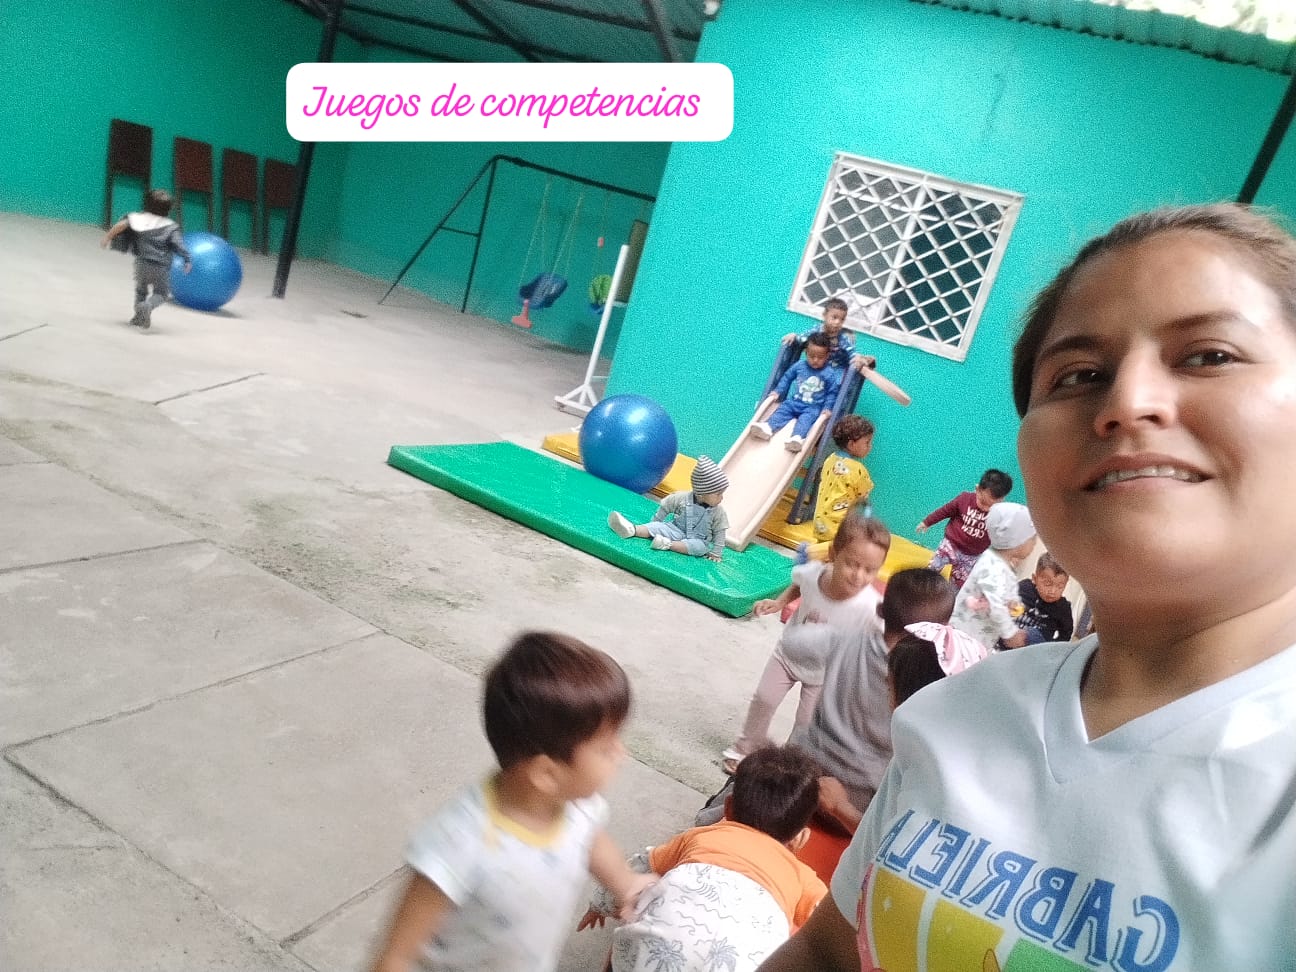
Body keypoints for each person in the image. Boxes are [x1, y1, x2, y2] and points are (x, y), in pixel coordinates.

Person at [758, 202, 1296, 970]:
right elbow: (825, 956)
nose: (1127, 403)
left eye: (1209, 355)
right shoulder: (959, 711)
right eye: (1079, 375)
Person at [368, 631, 653, 972]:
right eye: (606, 748)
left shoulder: (576, 804)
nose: (622, 753)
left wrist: (624, 883)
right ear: (546, 774)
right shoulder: (460, 842)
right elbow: (396, 955)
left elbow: (590, 839)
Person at [582, 746, 827, 972]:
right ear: (801, 838)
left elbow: (641, 865)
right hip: (742, 964)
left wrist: (600, 905)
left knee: (631, 946)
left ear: (727, 807)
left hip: (658, 953)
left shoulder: (699, 837)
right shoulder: (802, 877)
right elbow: (828, 924)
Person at [798, 569, 976, 838]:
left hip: (800, 777)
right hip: (854, 806)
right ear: (941, 631)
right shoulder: (923, 683)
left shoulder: (848, 636)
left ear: (881, 610)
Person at [723, 514, 890, 775]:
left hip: (825, 675)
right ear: (833, 554)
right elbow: (799, 584)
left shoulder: (870, 606)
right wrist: (779, 602)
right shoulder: (813, 574)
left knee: (806, 725)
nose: (859, 576)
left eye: (870, 570)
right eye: (852, 564)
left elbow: (887, 638)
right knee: (764, 699)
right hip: (787, 655)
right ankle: (744, 749)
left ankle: (788, 768)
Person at [948, 501, 1038, 652]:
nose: (1034, 544)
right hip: (964, 634)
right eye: (1032, 539)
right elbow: (995, 604)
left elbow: (1000, 595)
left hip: (981, 637)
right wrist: (1010, 634)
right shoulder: (992, 566)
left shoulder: (1002, 564)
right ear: (1017, 541)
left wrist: (1012, 603)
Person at [100, 189, 191, 329]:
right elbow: (178, 244)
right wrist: (187, 259)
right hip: (161, 267)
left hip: (141, 263)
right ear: (168, 209)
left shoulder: (137, 219)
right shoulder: (171, 227)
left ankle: (137, 318)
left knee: (140, 291)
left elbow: (120, 226)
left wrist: (107, 237)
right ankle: (148, 306)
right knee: (161, 294)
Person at [608, 456, 729, 561]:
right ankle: (632, 529)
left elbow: (720, 531)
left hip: (698, 539)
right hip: (675, 529)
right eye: (718, 494)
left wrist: (716, 553)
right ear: (701, 493)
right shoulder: (682, 498)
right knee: (657, 527)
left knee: (699, 548)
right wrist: (655, 522)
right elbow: (666, 506)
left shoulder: (718, 512)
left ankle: (667, 544)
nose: (722, 498)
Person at [914, 469, 1013, 588]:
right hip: (951, 545)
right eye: (982, 502)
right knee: (934, 568)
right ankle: (924, 587)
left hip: (971, 555)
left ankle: (951, 596)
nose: (985, 508)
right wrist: (927, 522)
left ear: (1002, 499)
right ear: (977, 489)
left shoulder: (1000, 515)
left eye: (991, 505)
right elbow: (944, 511)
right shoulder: (964, 499)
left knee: (959, 583)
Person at [750, 333, 843, 453]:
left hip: (812, 407)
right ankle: (768, 427)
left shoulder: (828, 373)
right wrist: (778, 391)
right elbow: (787, 377)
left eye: (820, 357)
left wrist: (827, 408)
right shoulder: (800, 366)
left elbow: (832, 392)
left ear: (827, 356)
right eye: (812, 356)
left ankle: (797, 438)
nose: (815, 360)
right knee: (783, 410)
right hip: (795, 401)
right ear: (806, 353)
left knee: (806, 420)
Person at [810, 415, 876, 551]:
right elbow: (863, 494)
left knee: (821, 550)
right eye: (867, 442)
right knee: (838, 554)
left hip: (821, 519)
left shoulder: (830, 459)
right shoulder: (858, 469)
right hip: (840, 525)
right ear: (851, 444)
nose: (870, 447)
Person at [1016, 551, 1075, 644]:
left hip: (1035, 644)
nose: (1053, 591)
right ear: (1034, 579)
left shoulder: (1063, 608)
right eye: (1048, 584)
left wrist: (1051, 647)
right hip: (1011, 632)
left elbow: (1066, 634)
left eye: (1060, 586)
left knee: (1031, 634)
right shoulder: (1024, 587)